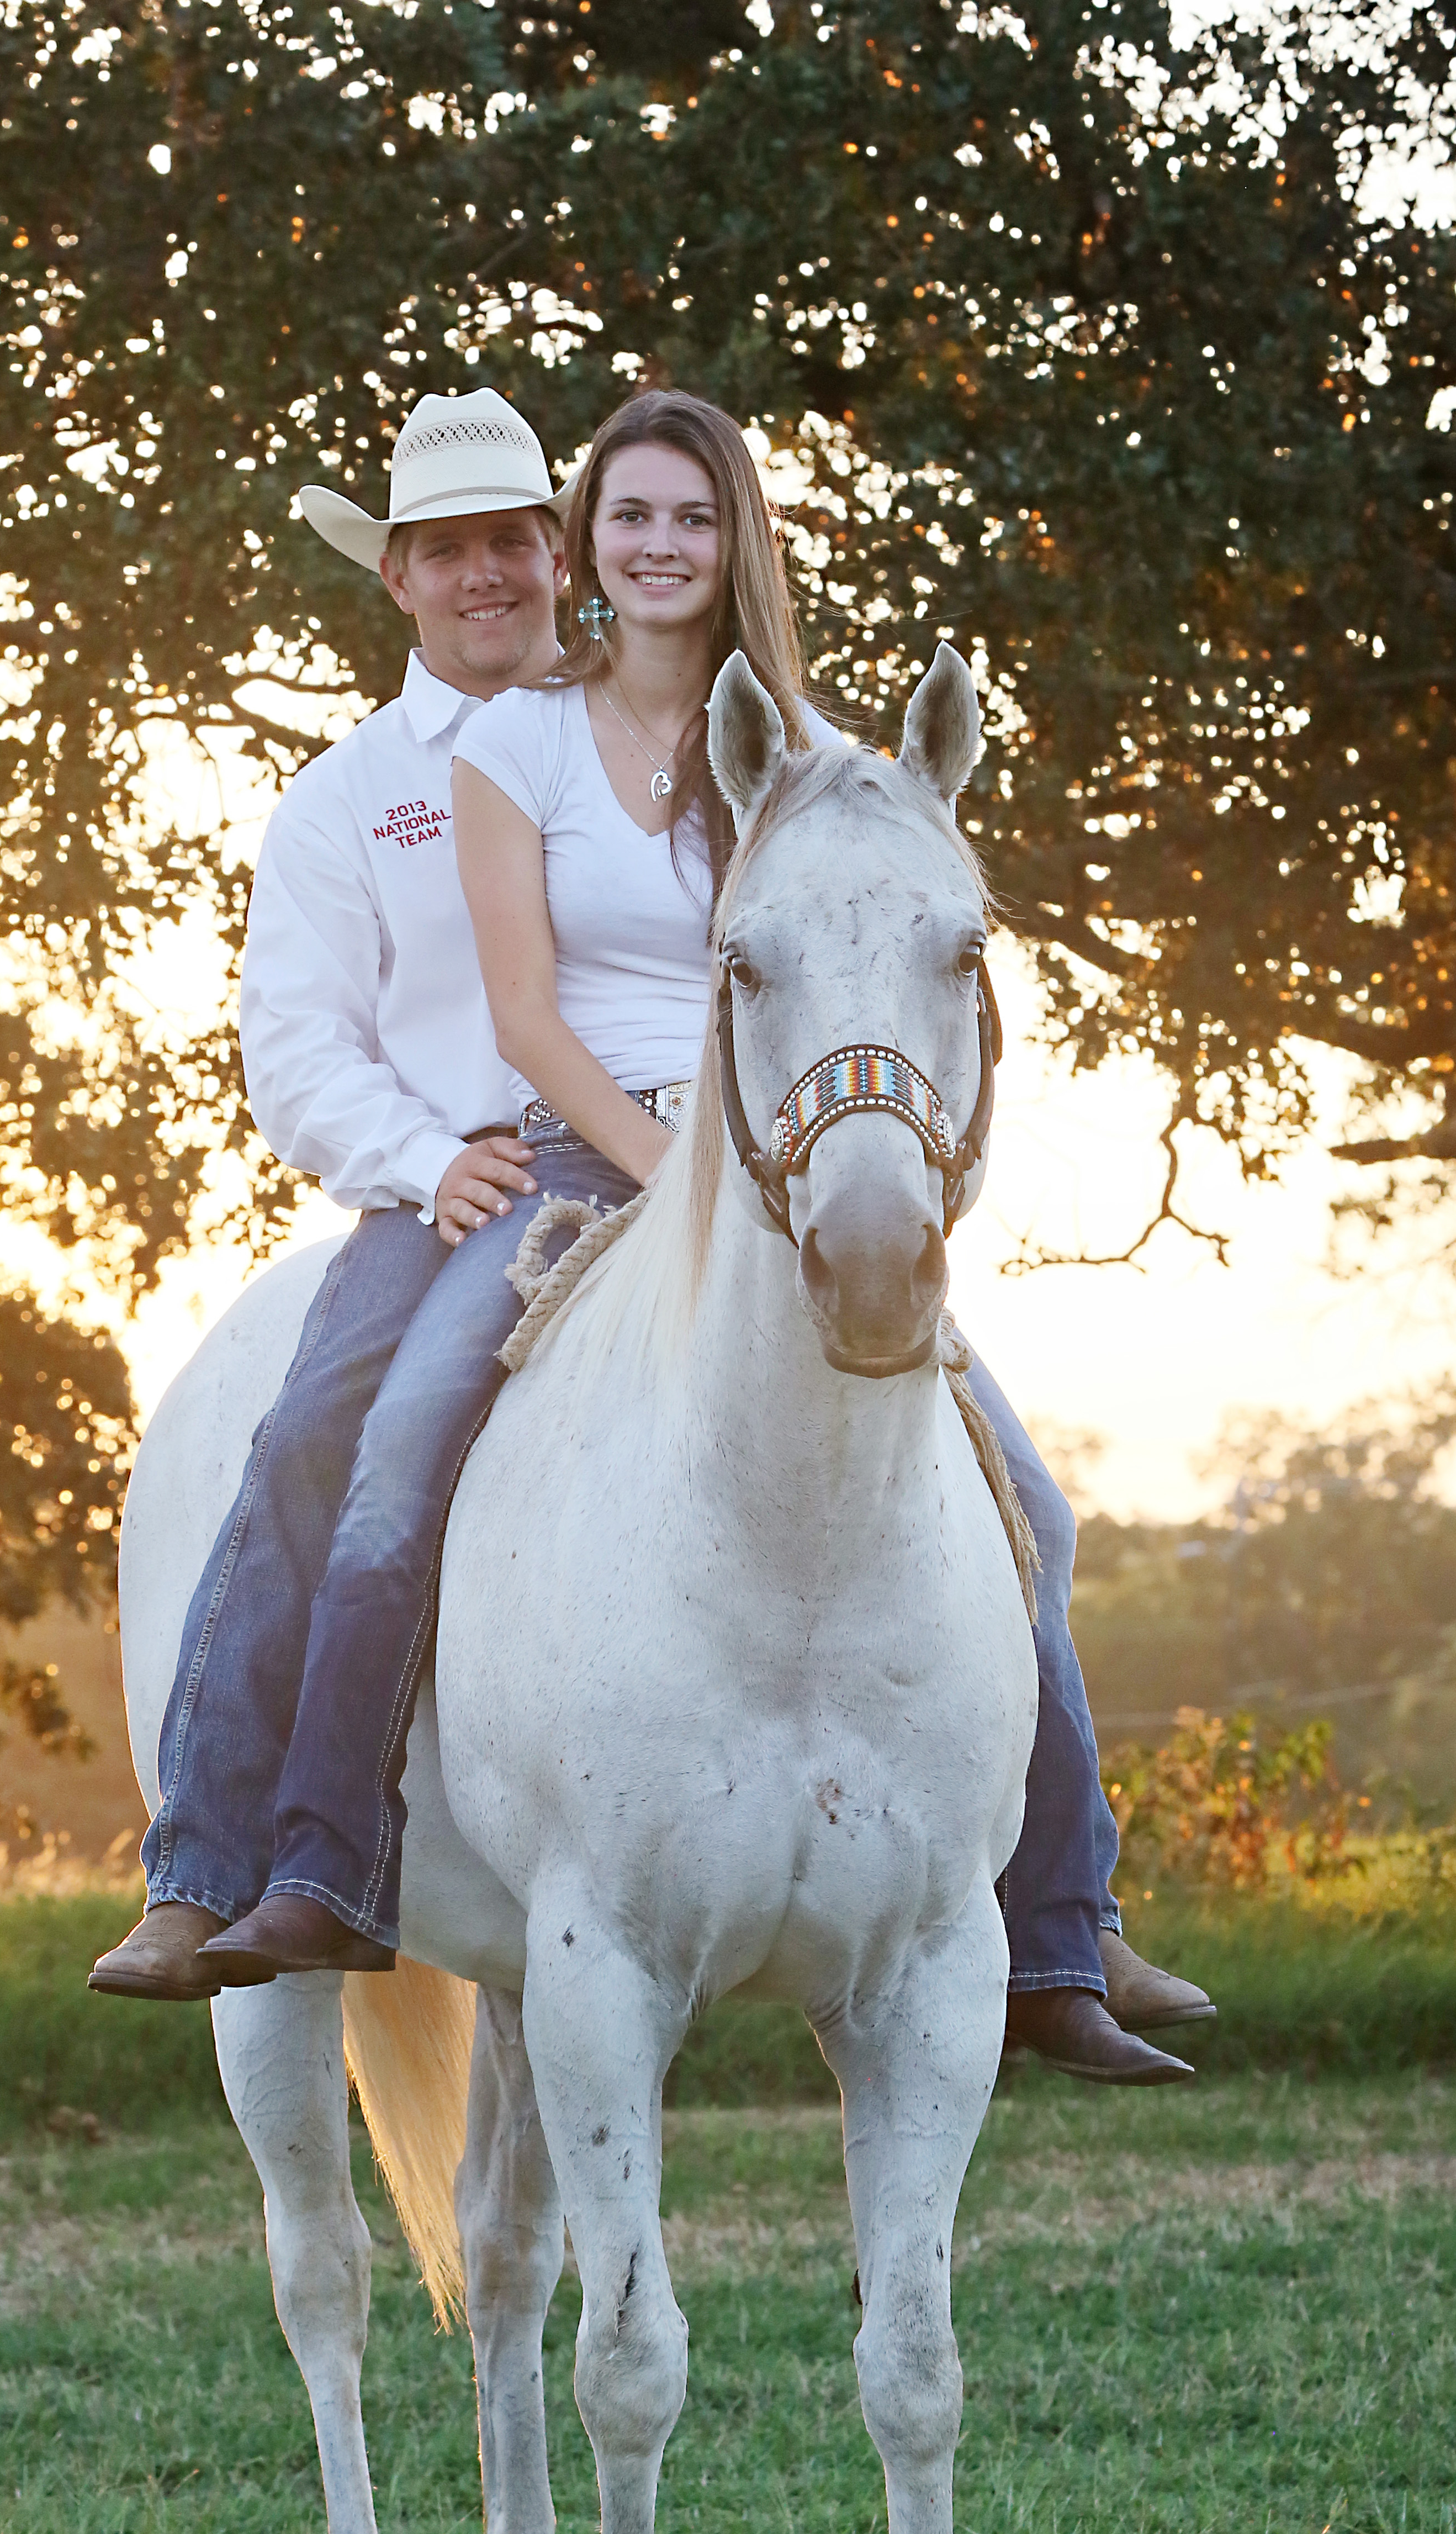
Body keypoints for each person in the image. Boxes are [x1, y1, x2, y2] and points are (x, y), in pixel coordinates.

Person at [90, 386, 1211, 2078]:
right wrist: (428, 1153)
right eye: (450, 549)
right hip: (496, 1168)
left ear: (561, 556)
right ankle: (255, 1852)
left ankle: (1059, 1915)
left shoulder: (777, 745)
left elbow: (864, 948)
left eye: (511, 541)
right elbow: (346, 1040)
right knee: (350, 1445)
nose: (491, 573)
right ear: (398, 574)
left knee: (1020, 1492)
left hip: (757, 1179)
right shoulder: (403, 780)